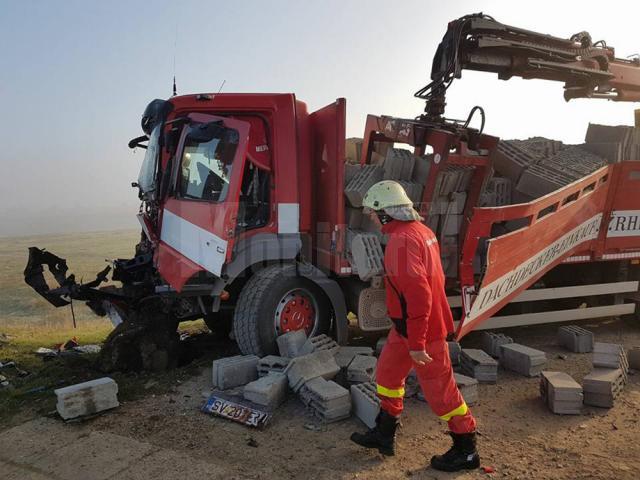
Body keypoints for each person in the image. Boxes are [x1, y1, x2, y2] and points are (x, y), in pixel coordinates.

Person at [350, 180, 480, 472]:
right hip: (406, 328)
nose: (371, 217)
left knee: (441, 394)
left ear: (387, 213)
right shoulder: (421, 232)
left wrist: (418, 344)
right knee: (387, 375)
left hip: (423, 332)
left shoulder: (401, 242)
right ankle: (384, 434)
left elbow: (419, 295)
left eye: (374, 212)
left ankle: (466, 450)